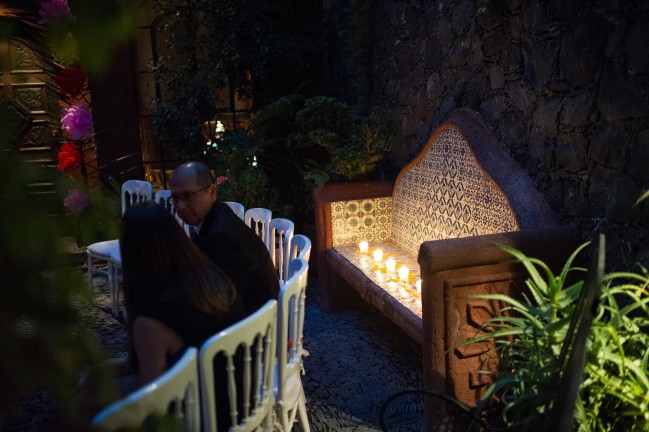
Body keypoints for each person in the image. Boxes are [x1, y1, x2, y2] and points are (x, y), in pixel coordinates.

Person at [119, 201, 245, 385]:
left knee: (85, 400)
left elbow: (151, 400)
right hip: (237, 391)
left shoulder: (151, 319)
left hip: (201, 406)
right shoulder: (211, 278)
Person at [170, 161, 280, 316]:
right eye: (175, 198)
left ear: (212, 192)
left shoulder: (222, 236)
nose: (180, 206)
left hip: (253, 328)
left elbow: (214, 302)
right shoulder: (216, 217)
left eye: (188, 196)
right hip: (251, 316)